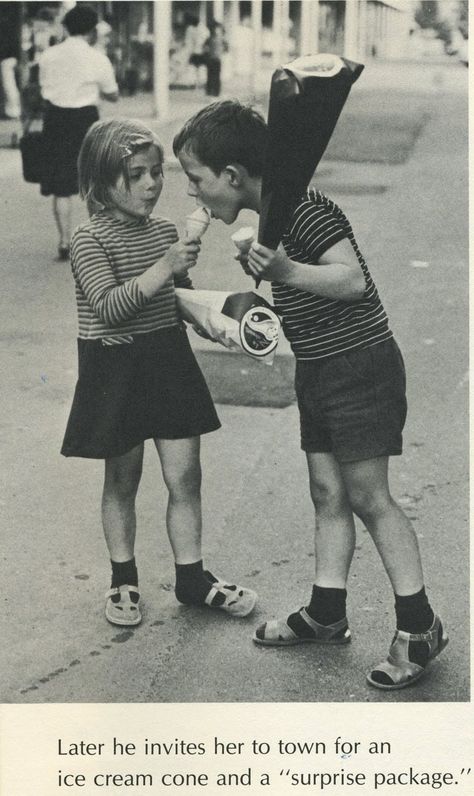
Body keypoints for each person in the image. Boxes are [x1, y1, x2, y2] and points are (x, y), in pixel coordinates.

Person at [173, 100, 448, 690]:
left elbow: (352, 280)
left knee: (371, 498)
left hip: (360, 367)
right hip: (320, 370)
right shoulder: (268, 221)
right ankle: (327, 612)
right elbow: (293, 294)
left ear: (233, 176)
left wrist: (287, 271)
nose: (196, 197)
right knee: (327, 493)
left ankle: (420, 626)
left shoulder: (303, 207)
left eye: (196, 180)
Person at [61, 118, 257, 628]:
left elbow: (176, 297)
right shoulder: (87, 240)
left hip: (168, 361)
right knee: (122, 479)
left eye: (157, 173)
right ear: (102, 180)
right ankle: (123, 578)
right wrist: (165, 267)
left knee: (185, 477)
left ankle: (192, 578)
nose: (152, 185)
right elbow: (108, 307)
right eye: (137, 175)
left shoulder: (164, 233)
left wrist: (214, 319)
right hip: (115, 366)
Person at [38, 4, 118, 261]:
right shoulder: (97, 57)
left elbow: (44, 87)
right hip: (85, 119)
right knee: (92, 180)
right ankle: (94, 242)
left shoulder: (49, 54)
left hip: (55, 119)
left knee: (62, 184)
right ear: (92, 30)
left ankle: (64, 242)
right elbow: (113, 93)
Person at [203, 21, 227, 97]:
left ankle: (215, 92)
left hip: (216, 59)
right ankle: (210, 91)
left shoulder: (220, 39)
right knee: (210, 76)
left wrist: (221, 52)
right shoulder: (209, 39)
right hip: (211, 59)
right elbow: (205, 48)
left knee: (216, 76)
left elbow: (226, 48)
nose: (215, 30)